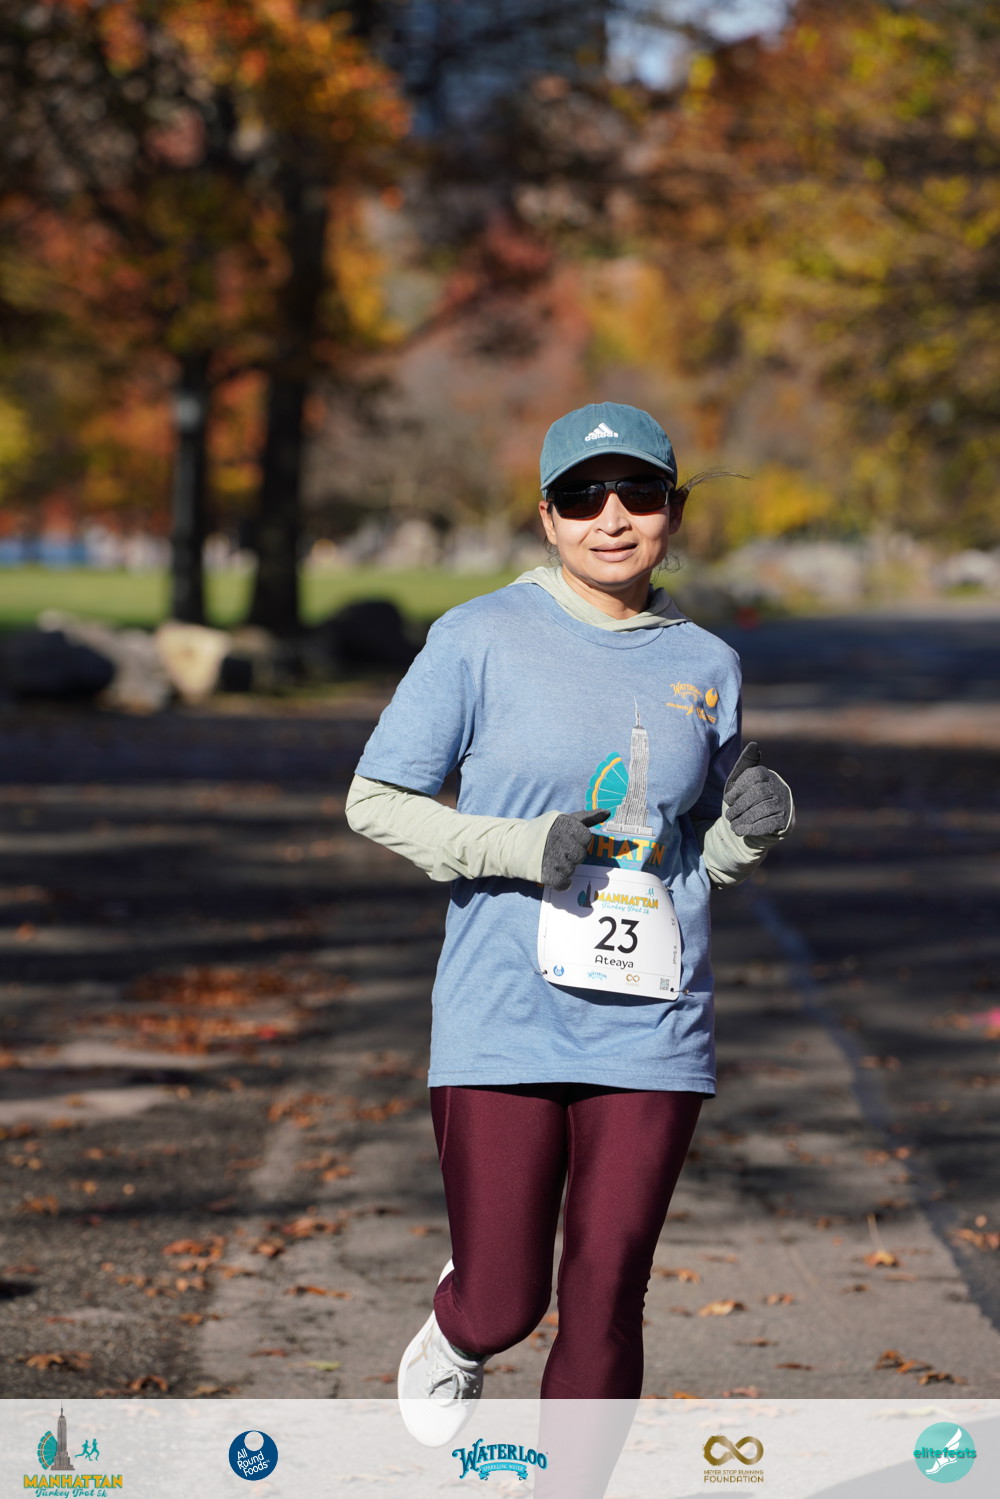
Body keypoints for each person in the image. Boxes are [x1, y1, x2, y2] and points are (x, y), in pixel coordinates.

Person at [345, 402, 794, 1447]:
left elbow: (691, 850)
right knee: (508, 1299)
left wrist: (747, 834)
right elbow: (374, 799)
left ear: (673, 511)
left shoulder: (708, 664)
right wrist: (518, 844)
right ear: (547, 517)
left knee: (606, 1290)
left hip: (651, 1020)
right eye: (583, 496)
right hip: (504, 1007)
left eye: (638, 493)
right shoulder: (477, 638)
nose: (612, 517)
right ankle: (461, 1323)